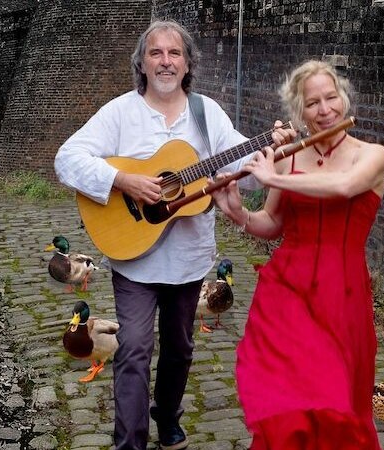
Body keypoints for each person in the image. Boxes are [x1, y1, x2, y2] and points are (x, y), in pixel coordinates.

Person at [54, 20, 295, 450]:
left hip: (189, 259)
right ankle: (131, 442)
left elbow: (249, 177)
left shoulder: (207, 114)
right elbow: (67, 158)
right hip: (135, 259)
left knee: (180, 349)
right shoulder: (120, 112)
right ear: (142, 64)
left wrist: (271, 151)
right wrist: (122, 179)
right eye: (156, 53)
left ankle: (167, 418)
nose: (166, 61)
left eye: (174, 53)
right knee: (133, 349)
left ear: (187, 65)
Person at [208, 60, 384, 449]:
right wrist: (238, 212)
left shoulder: (372, 156)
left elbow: (343, 187)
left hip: (342, 294)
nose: (325, 110)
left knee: (335, 397)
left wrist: (273, 176)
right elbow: (272, 221)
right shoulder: (289, 157)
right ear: (299, 112)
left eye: (331, 98)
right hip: (287, 291)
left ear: (343, 98)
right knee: (288, 401)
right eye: (312, 103)